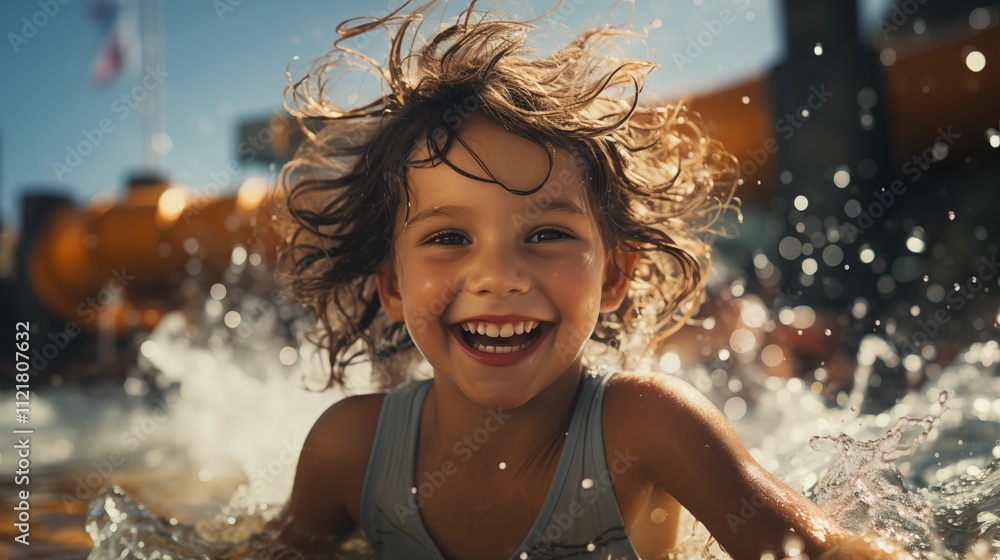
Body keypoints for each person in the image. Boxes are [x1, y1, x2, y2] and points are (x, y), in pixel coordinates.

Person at [267, 2, 914, 558]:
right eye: (448, 238)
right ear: (393, 286)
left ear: (615, 274)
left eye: (547, 234)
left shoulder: (650, 428)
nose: (498, 275)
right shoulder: (349, 450)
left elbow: (821, 550)